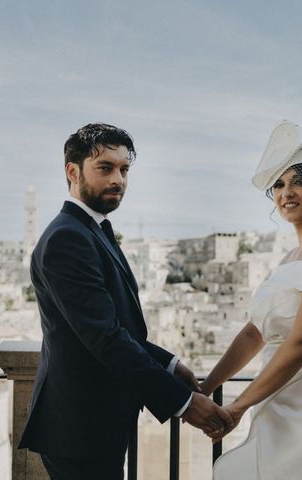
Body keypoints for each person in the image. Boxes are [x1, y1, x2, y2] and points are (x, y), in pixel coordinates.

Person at [18, 123, 232, 479]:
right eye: (105, 168)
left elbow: (116, 325)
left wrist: (169, 364)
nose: (118, 179)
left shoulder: (89, 230)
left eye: (124, 169)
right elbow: (105, 337)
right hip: (79, 427)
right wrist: (184, 403)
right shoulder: (67, 239)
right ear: (73, 171)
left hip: (91, 423)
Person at [201, 120, 302, 479]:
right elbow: (254, 334)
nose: (286, 192)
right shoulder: (289, 259)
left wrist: (239, 407)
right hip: (280, 406)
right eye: (278, 184)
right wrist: (208, 386)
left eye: (298, 181)